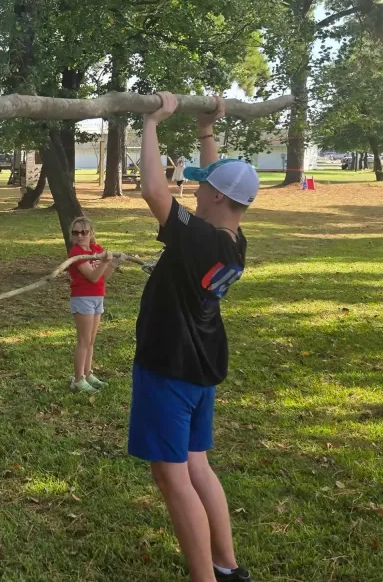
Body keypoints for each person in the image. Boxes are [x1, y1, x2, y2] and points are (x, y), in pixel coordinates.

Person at [132, 92, 258, 582]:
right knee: (197, 465)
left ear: (220, 199)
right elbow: (217, 179)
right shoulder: (232, 239)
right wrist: (207, 131)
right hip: (200, 367)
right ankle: (227, 568)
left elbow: (153, 191)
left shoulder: (198, 238)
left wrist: (151, 122)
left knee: (171, 474)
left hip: (169, 365)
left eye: (206, 188)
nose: (196, 189)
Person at [66, 216, 124, 394]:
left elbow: (103, 276)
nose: (80, 235)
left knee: (91, 340)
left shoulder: (96, 249)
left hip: (98, 297)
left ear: (91, 233)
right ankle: (78, 380)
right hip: (82, 298)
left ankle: (88, 373)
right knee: (83, 340)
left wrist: (113, 263)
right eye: (76, 232)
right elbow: (92, 276)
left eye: (84, 232)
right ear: (72, 235)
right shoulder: (76, 253)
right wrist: (105, 261)